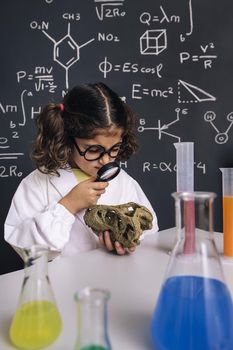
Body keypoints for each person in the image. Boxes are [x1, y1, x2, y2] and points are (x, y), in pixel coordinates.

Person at [4, 82, 158, 259]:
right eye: (93, 150)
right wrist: (68, 205)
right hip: (62, 284)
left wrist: (129, 241)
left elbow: (149, 230)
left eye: (114, 149)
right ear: (67, 139)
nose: (106, 160)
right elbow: (25, 249)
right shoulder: (36, 184)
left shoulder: (124, 182)